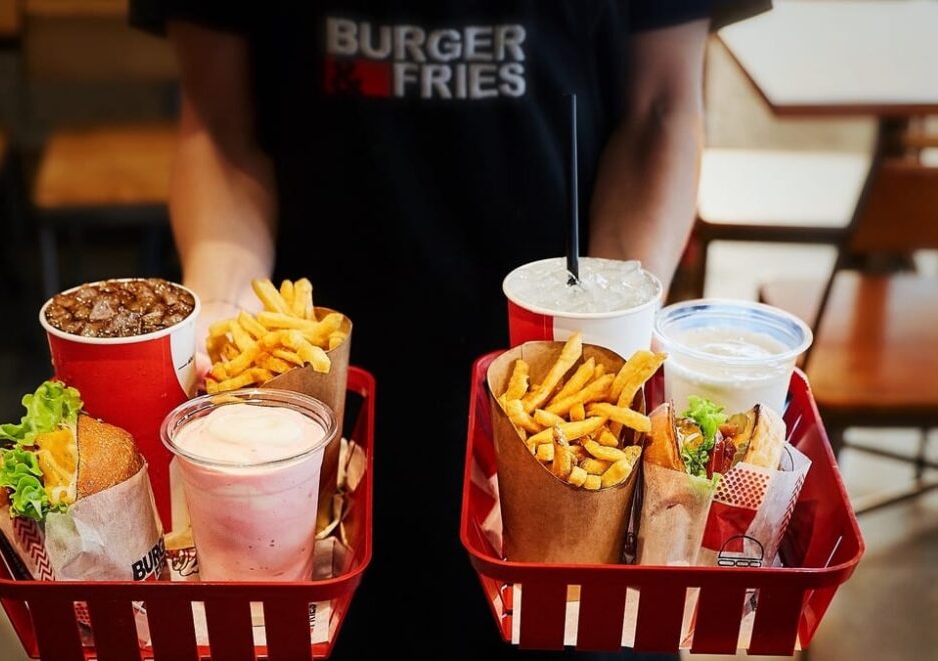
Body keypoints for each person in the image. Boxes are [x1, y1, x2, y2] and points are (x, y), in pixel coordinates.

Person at [130, 2, 752, 658]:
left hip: (565, 410)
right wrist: (224, 310)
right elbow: (220, 125)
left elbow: (660, 108)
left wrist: (615, 317)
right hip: (310, 414)